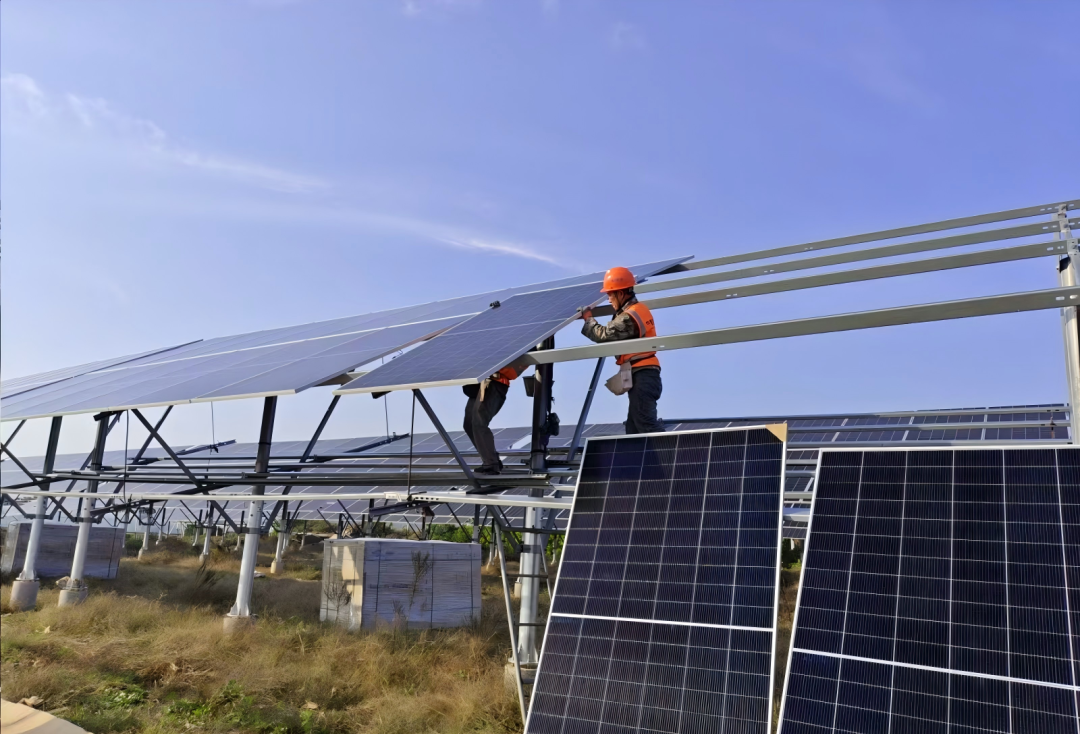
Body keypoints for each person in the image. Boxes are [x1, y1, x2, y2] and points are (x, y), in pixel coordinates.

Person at [581, 266, 664, 435]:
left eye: (610, 294)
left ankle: (667, 451)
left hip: (643, 375)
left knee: (646, 426)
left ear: (621, 293)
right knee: (633, 429)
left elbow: (604, 334)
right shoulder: (634, 311)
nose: (608, 299)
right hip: (642, 374)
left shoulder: (631, 315)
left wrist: (588, 319)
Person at [463, 357, 529, 475]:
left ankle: (491, 464)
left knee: (479, 422)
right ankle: (491, 460)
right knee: (468, 424)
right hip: (477, 384)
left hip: (495, 383)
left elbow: (516, 367)